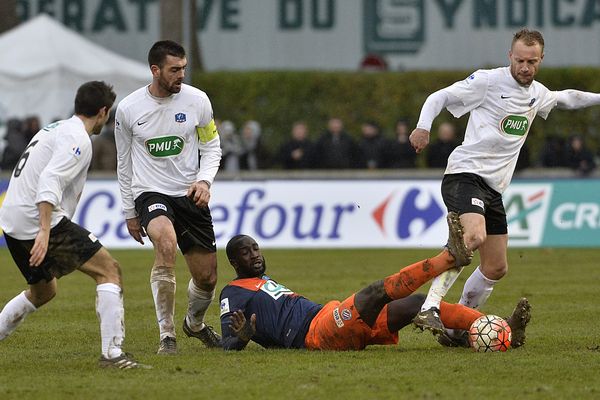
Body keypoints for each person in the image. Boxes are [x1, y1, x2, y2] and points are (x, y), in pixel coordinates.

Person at [409, 28, 600, 344]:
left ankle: (456, 330)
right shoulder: (487, 81)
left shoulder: (537, 93)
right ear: (510, 56)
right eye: (521, 60)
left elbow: (567, 98)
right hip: (464, 175)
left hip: (493, 190)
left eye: (532, 61)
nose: (525, 67)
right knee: (472, 236)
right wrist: (422, 127)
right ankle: (430, 306)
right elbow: (439, 96)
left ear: (540, 60)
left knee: (496, 267)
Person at [0, 81, 146, 369]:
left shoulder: (55, 128)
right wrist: (44, 231)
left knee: (44, 291)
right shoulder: (77, 138)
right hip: (39, 220)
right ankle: (113, 355)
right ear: (103, 112)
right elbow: (49, 181)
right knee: (109, 270)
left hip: (12, 220)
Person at [219, 218, 531, 351]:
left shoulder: (261, 280)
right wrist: (243, 337)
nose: (255, 256)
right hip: (316, 334)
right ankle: (449, 258)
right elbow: (227, 344)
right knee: (374, 292)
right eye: (246, 253)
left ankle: (503, 329)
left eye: (255, 248)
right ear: (234, 263)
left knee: (417, 304)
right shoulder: (232, 293)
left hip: (326, 317)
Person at [115, 40, 222, 355]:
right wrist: (129, 212)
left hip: (190, 194)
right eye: (175, 70)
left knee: (207, 278)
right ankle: (167, 336)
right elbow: (124, 164)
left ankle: (195, 324)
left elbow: (212, 146)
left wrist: (204, 181)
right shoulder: (129, 109)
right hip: (150, 192)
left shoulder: (198, 101)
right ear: (155, 70)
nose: (181, 75)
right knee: (165, 242)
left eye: (184, 68)